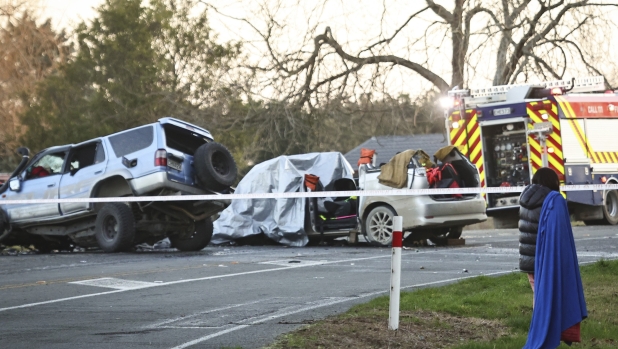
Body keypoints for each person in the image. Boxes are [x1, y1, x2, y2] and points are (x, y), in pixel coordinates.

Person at [522, 167, 587, 348]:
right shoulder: (550, 201)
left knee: (540, 301)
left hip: (528, 260)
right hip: (543, 259)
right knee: (549, 299)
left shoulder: (525, 198)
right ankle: (548, 333)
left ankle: (543, 329)